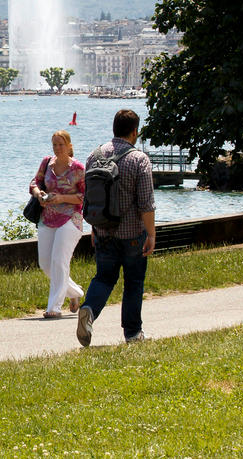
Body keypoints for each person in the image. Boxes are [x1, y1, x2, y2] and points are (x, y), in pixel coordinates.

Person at [77, 109, 156, 346]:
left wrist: (94, 226)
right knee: (133, 282)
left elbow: (90, 197)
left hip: (102, 231)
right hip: (133, 234)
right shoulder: (139, 159)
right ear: (135, 131)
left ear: (114, 128)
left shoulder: (94, 156)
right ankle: (132, 333)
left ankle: (89, 310)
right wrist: (151, 233)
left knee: (103, 278)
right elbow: (146, 203)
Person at [29, 129, 86, 318]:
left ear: (69, 146)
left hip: (71, 218)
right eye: (54, 144)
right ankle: (76, 293)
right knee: (46, 264)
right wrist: (39, 195)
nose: (57, 148)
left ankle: (54, 307)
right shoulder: (47, 163)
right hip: (48, 217)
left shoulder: (78, 168)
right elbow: (34, 183)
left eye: (61, 144)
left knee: (59, 261)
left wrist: (61, 197)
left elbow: (85, 197)